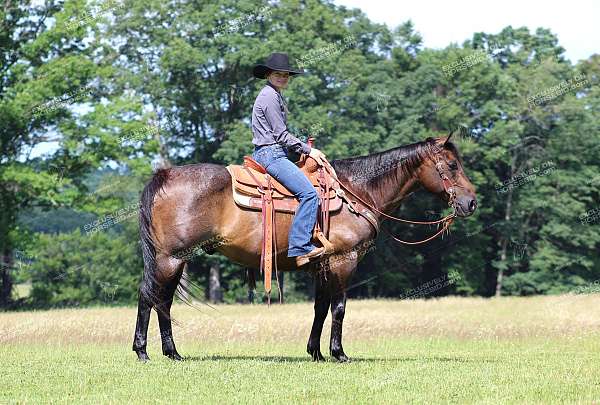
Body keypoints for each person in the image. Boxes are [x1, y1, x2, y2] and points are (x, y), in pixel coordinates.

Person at [251, 52, 329, 266]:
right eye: (278, 74)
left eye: (286, 75)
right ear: (268, 74)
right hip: (271, 155)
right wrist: (309, 151)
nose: (283, 78)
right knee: (310, 194)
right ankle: (300, 247)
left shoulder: (273, 94)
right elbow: (281, 135)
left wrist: (301, 150)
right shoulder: (269, 96)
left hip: (273, 152)